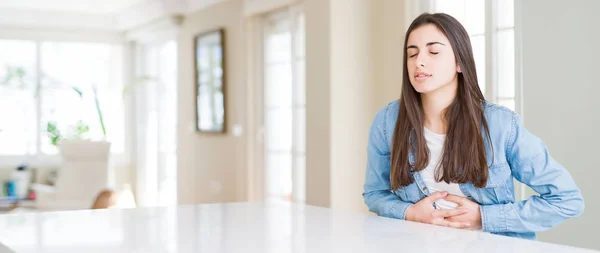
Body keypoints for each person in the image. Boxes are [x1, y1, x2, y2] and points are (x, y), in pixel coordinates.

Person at [362, 12, 584, 240]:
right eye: (412, 53)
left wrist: (483, 216)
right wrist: (410, 212)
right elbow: (374, 193)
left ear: (460, 62)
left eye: (434, 51)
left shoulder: (501, 125)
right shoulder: (387, 121)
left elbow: (567, 200)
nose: (419, 61)